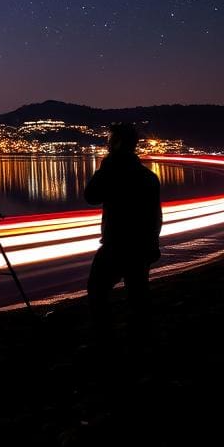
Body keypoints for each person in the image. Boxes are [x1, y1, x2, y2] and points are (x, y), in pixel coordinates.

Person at [85, 122, 162, 339]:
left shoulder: (111, 172)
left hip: (116, 244)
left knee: (97, 290)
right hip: (142, 245)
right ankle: (141, 340)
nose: (107, 144)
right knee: (138, 295)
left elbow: (90, 196)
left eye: (109, 140)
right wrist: (153, 245)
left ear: (117, 143)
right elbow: (156, 216)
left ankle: (105, 339)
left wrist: (106, 166)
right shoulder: (149, 177)